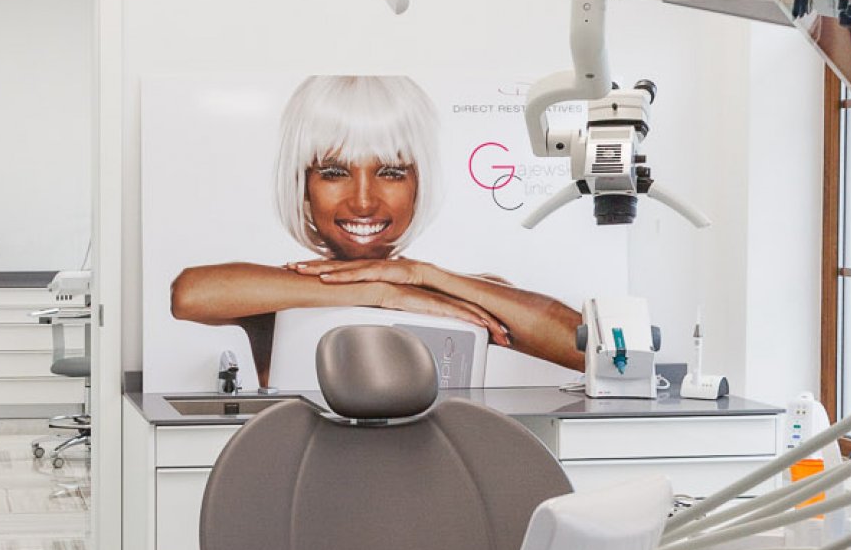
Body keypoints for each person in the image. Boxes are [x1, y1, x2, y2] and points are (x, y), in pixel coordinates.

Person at [171, 74, 583, 386]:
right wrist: (383, 294)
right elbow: (188, 294)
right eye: (334, 172)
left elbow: (585, 350)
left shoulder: (450, 293)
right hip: (309, 471)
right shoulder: (282, 294)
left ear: (419, 184)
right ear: (303, 186)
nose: (363, 202)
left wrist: (420, 275)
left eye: (391, 172)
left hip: (431, 469)